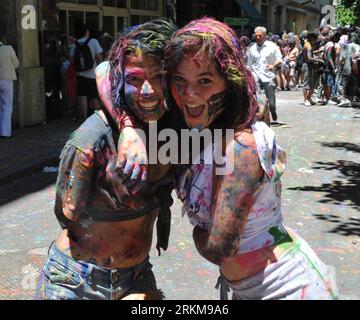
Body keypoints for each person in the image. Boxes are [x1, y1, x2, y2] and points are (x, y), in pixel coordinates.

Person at [165, 17, 339, 300]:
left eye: (205, 80)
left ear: (229, 82)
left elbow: (219, 248)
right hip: (249, 289)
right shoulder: (205, 132)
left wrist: (200, 233)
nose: (189, 93)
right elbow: (107, 71)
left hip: (291, 290)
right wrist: (125, 126)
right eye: (179, 80)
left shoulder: (241, 146)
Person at [36, 19, 177, 300]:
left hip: (136, 277)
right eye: (134, 79)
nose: (147, 90)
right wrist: (125, 126)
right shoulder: (94, 137)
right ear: (120, 81)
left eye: (159, 76)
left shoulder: (174, 128)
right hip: (76, 280)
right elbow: (67, 213)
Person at [247, 27, 282, 122]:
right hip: (256, 75)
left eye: (260, 35)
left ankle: (273, 109)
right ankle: (259, 115)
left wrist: (273, 65)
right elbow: (249, 64)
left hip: (268, 76)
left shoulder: (272, 46)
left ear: (264, 36)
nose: (257, 37)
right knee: (256, 96)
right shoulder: (252, 48)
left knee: (271, 97)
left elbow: (279, 59)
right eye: (256, 35)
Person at [70, 23, 103, 120]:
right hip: (92, 75)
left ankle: (84, 118)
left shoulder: (75, 43)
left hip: (80, 75)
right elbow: (98, 57)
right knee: (94, 97)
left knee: (82, 96)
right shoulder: (93, 41)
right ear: (87, 32)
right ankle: (99, 119)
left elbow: (71, 59)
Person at [0, 36, 19, 138]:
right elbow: (16, 64)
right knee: (7, 106)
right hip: (6, 79)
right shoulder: (8, 49)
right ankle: (5, 132)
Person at [303, 31, 323, 106]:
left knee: (312, 84)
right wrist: (318, 59)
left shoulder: (309, 45)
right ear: (312, 39)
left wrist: (319, 51)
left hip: (310, 65)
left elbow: (311, 53)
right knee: (306, 83)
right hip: (307, 65)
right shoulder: (308, 45)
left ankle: (309, 98)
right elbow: (309, 57)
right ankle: (305, 99)